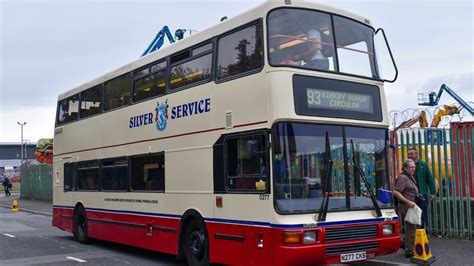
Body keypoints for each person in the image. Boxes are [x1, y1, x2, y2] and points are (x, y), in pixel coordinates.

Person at [393, 159, 419, 258]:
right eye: (411, 167)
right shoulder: (403, 178)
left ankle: (405, 245)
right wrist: (407, 201)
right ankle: (409, 251)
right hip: (406, 206)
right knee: (410, 228)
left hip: (411, 205)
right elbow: (396, 192)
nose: (414, 169)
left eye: (414, 167)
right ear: (405, 168)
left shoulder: (409, 176)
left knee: (412, 228)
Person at [408, 147, 436, 229]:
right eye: (409, 154)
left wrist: (433, 193)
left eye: (412, 154)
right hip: (410, 195)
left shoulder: (423, 165)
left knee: (422, 215)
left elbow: (430, 179)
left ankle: (421, 232)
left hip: (422, 194)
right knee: (411, 216)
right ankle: (413, 234)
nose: (410, 155)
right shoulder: (406, 165)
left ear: (417, 154)